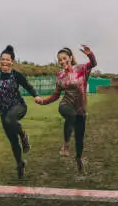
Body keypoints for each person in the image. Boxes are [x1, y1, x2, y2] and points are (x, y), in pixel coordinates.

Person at [0, 45, 43, 179]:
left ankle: (23, 135)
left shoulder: (16, 75)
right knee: (13, 141)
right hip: (4, 113)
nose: (5, 61)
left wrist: (36, 95)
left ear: (12, 62)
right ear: (0, 61)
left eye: (7, 59)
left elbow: (28, 86)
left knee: (10, 119)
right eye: (2, 59)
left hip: (19, 107)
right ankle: (20, 164)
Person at [36, 44, 97, 173]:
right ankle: (66, 144)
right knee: (71, 115)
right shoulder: (60, 76)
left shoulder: (81, 69)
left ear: (70, 57)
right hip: (66, 105)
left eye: (64, 58)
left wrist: (89, 53)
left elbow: (93, 63)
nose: (62, 61)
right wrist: (43, 101)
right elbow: (56, 95)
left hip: (81, 109)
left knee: (80, 139)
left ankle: (78, 158)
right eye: (60, 60)